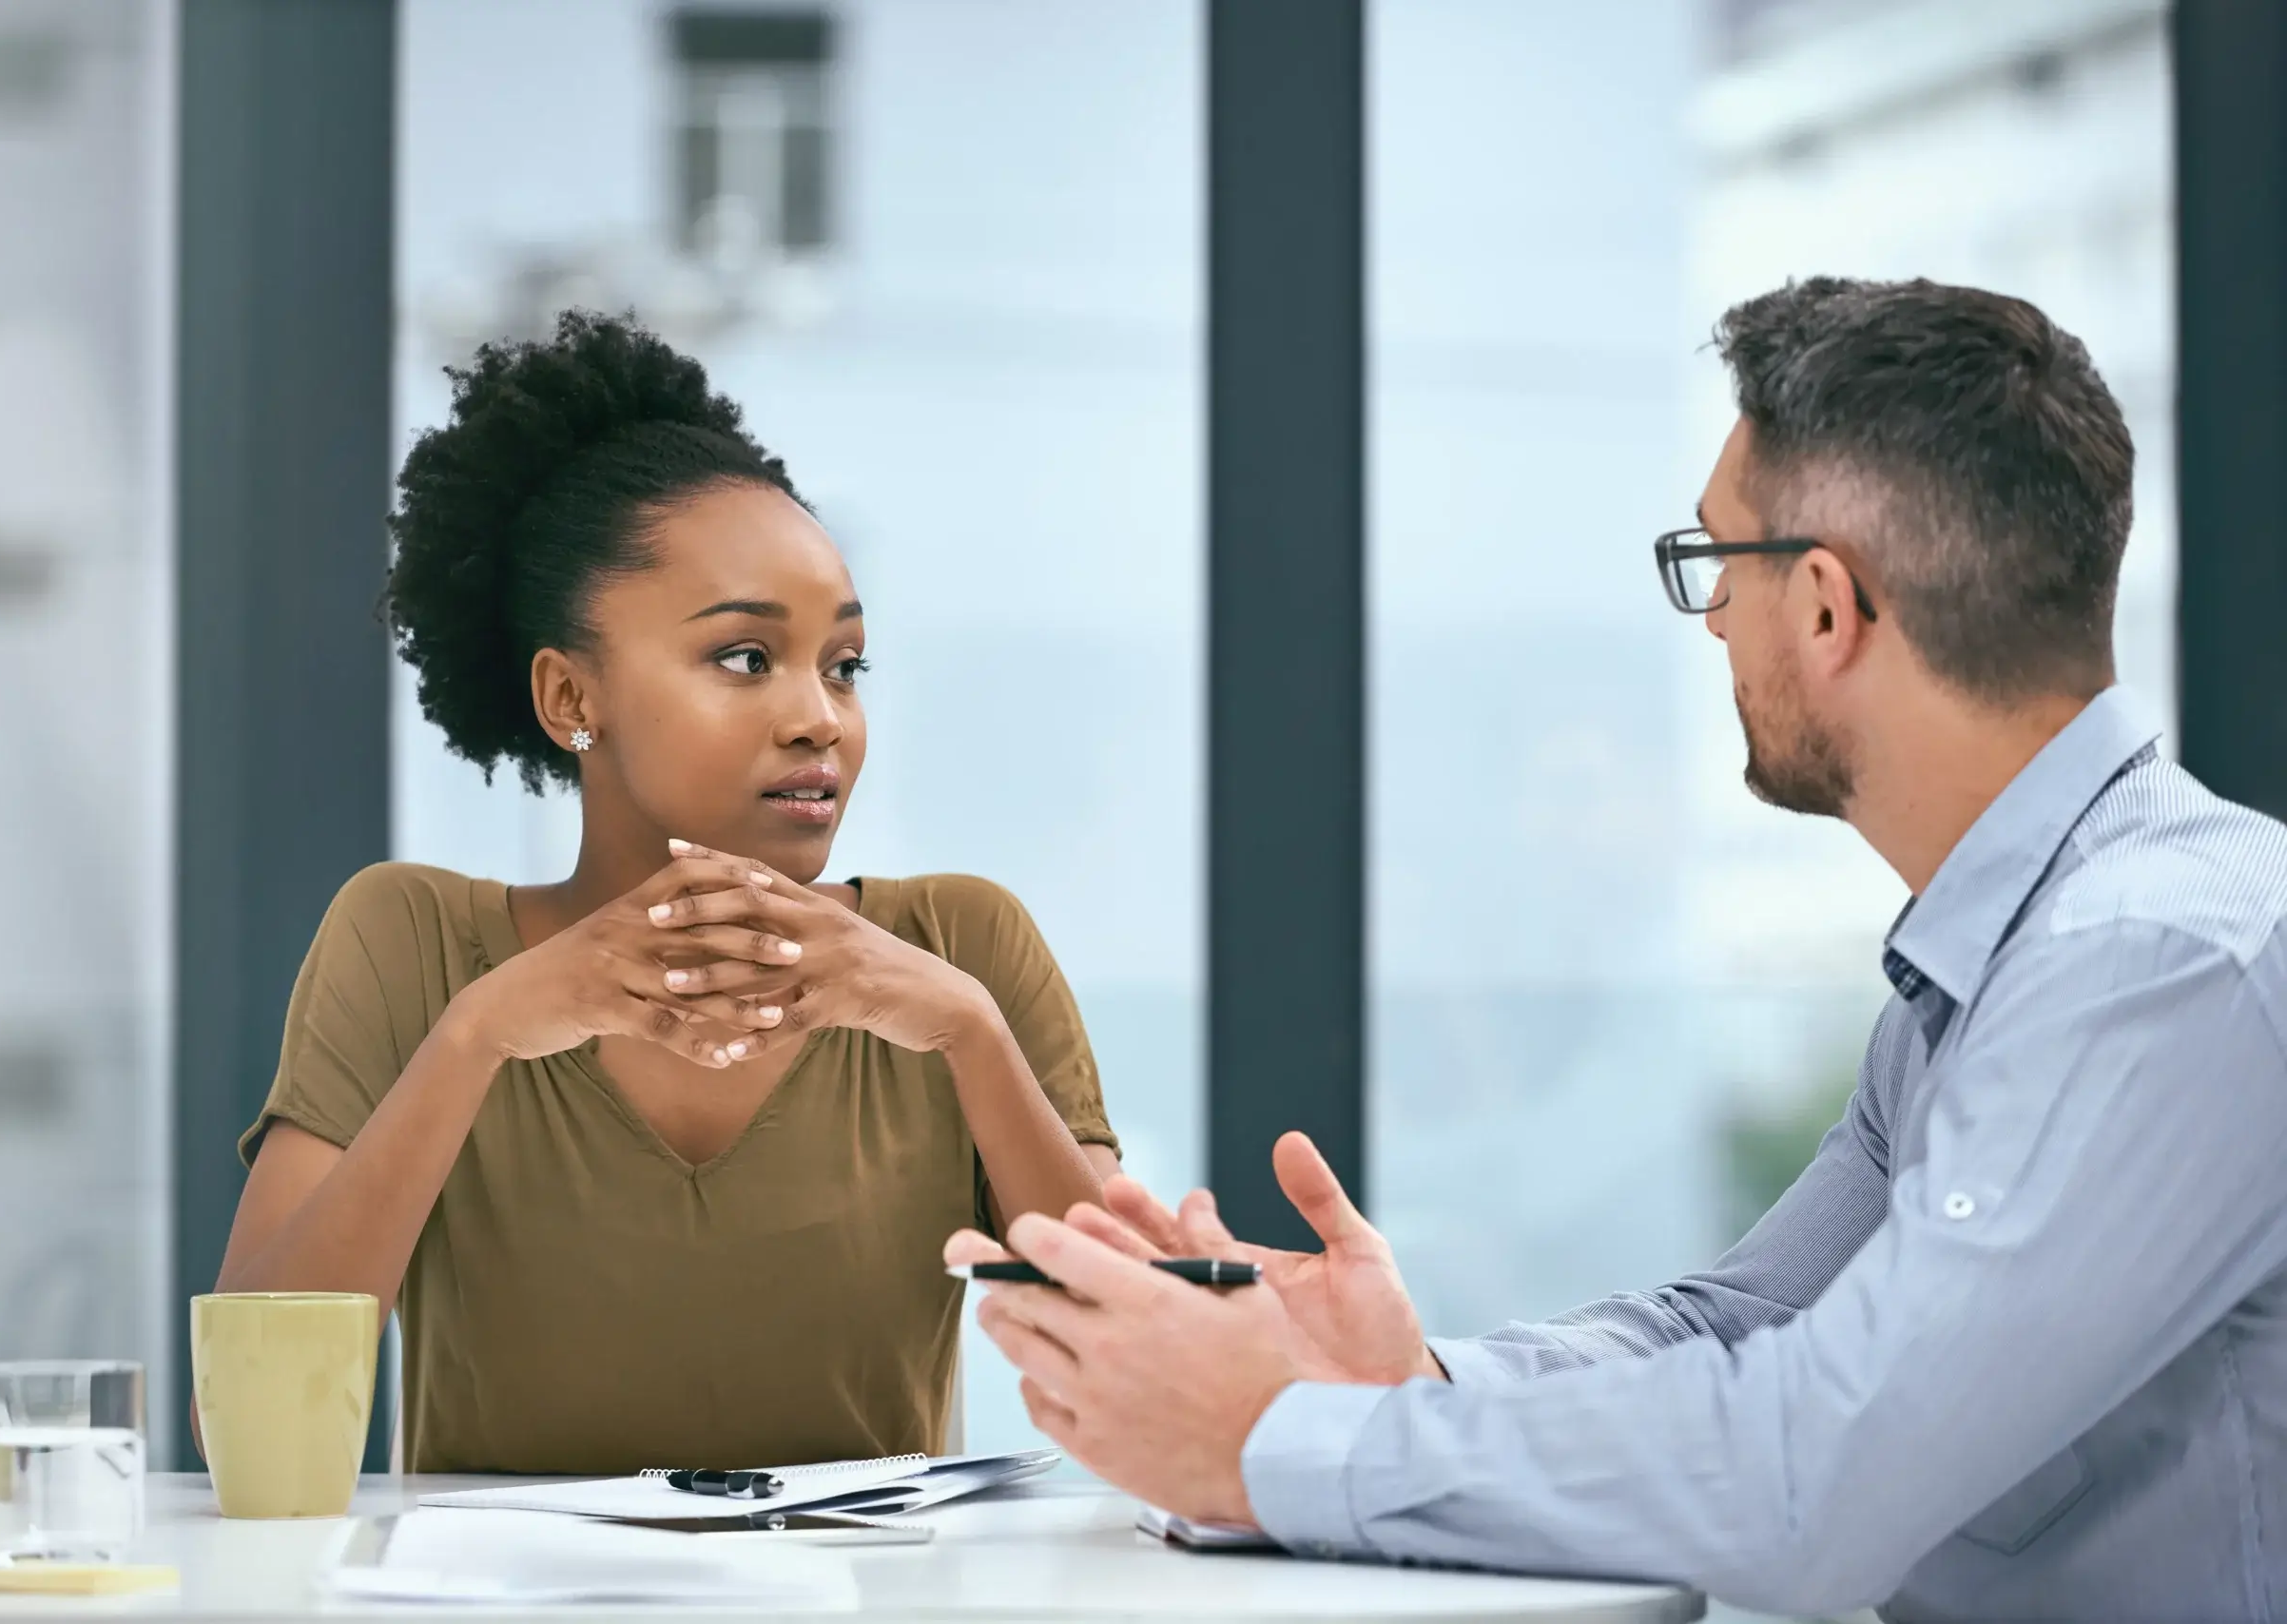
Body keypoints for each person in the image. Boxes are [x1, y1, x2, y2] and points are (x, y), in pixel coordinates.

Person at [953, 277, 2287, 1621]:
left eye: (1718, 565)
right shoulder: (2001, 966)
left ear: (1827, 606)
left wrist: (1264, 1444)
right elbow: (1735, 1331)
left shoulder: (2159, 963)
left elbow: (1814, 1480)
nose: (1709, 621)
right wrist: (1404, 1382)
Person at [218, 310, 1119, 1474]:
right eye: (744, 657)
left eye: (843, 665)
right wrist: (480, 1032)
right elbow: (249, 1430)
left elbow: (1140, 1372)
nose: (819, 717)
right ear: (567, 697)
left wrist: (967, 1031)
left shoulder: (963, 946)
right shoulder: (411, 941)